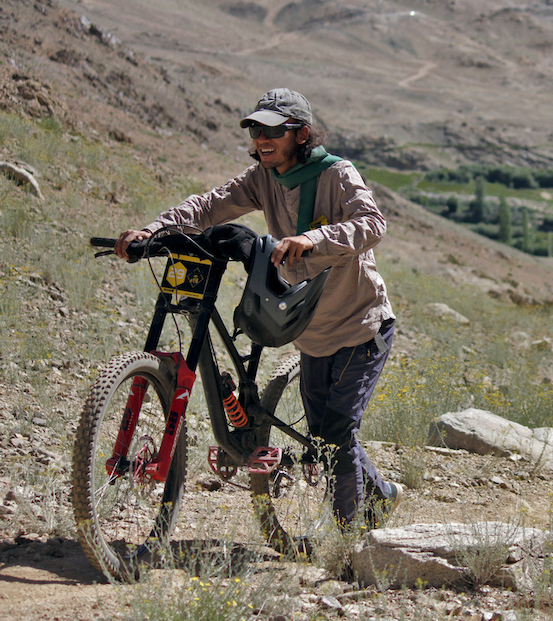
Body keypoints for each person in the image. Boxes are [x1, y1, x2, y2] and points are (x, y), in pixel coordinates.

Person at [114, 88, 401, 532]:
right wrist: (152, 231)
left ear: (301, 134)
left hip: (361, 329)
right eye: (255, 129)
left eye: (273, 130)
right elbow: (209, 205)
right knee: (324, 437)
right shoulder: (263, 178)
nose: (261, 138)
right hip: (310, 331)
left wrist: (312, 239)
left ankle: (350, 544)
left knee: (336, 436)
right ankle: (381, 497)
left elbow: (372, 224)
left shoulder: (337, 175)